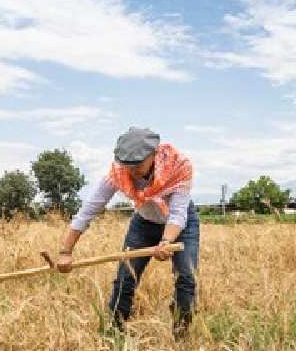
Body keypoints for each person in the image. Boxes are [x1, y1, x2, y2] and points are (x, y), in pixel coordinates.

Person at [56, 127, 199, 338]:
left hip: (181, 226)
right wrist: (66, 251)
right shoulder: (118, 172)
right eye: (127, 166)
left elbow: (178, 215)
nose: (131, 172)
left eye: (137, 165)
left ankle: (181, 333)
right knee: (125, 277)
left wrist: (166, 241)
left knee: (186, 278)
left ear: (154, 154)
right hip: (143, 224)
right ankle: (115, 333)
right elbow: (89, 210)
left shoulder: (180, 166)